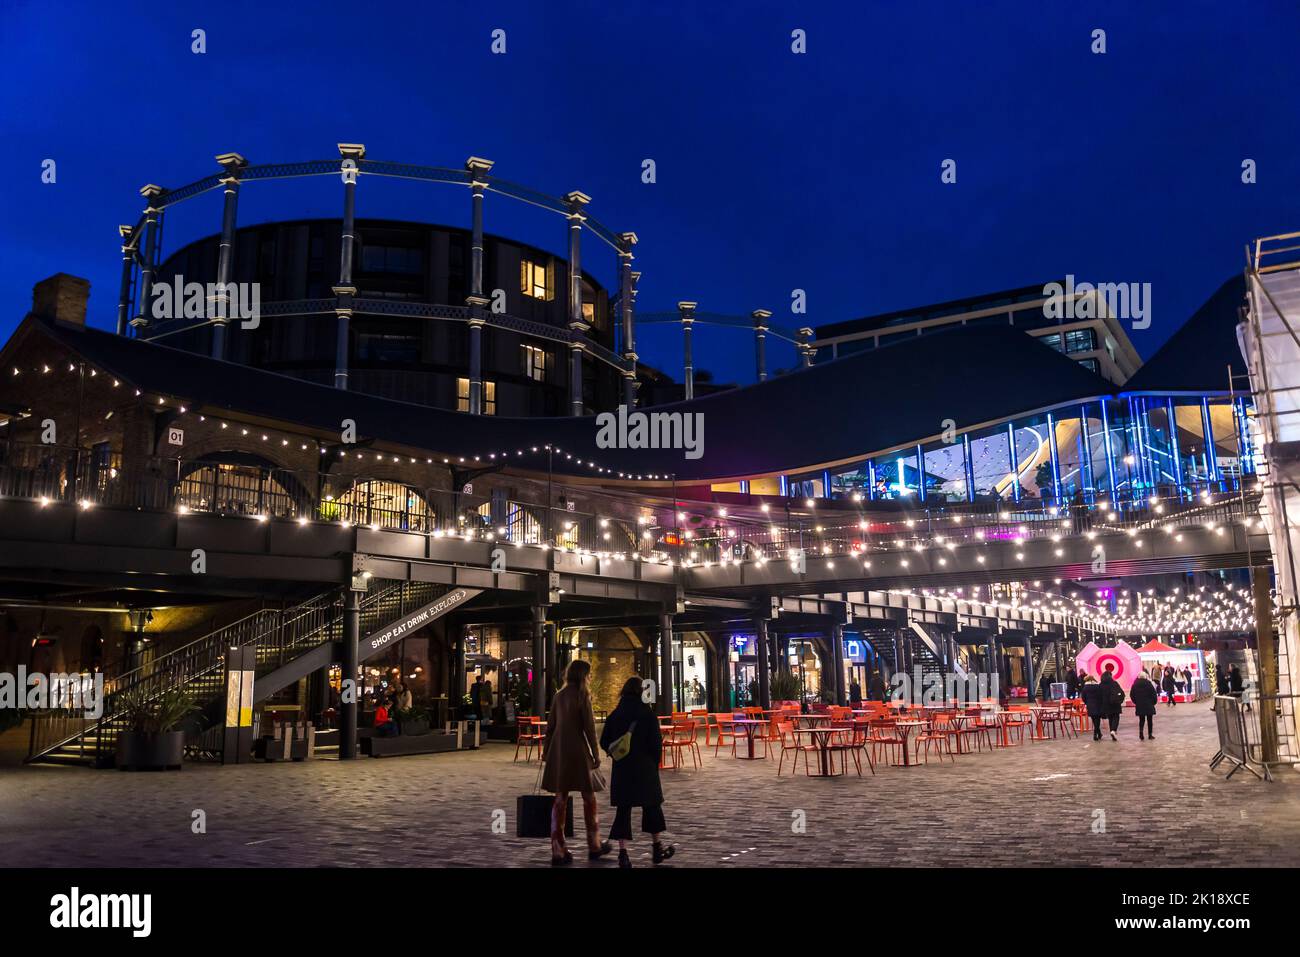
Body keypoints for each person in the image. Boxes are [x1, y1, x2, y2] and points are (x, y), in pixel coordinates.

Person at [600, 676, 676, 868]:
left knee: (623, 811)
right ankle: (657, 848)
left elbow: (604, 742)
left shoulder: (615, 714)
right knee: (652, 808)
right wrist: (653, 762)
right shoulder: (647, 714)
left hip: (623, 770)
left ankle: (623, 854)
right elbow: (656, 744)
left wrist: (616, 754)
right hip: (645, 770)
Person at [541, 659, 608, 865]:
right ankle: (594, 844)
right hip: (578, 753)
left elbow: (551, 726)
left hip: (559, 753)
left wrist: (546, 752)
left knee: (560, 799)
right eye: (588, 674)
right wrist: (596, 755)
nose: (590, 677)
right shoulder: (582, 696)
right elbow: (589, 729)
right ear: (582, 675)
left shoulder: (559, 696)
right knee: (589, 798)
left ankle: (557, 849)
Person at [1099, 665, 1125, 740]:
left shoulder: (1101, 685)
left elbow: (1099, 695)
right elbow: (1121, 692)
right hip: (1115, 703)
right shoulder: (1114, 683)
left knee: (1110, 718)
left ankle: (1112, 732)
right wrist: (1120, 700)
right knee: (1116, 717)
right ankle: (1113, 730)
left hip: (1106, 705)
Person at [1130, 671, 1157, 740]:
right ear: (1145, 676)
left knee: (1141, 720)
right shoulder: (1149, 684)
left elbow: (1132, 695)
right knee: (1149, 720)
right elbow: (1154, 694)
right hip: (1149, 704)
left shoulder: (1135, 684)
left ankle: (1141, 733)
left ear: (1139, 677)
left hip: (1140, 704)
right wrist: (1153, 702)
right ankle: (1150, 734)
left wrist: (1136, 702)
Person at [1081, 674, 1104, 740]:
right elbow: (1101, 695)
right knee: (1097, 719)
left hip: (1090, 705)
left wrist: (1087, 702)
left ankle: (1098, 734)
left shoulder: (1085, 687)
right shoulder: (1098, 686)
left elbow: (1083, 697)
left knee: (1094, 719)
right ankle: (1096, 734)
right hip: (1098, 704)